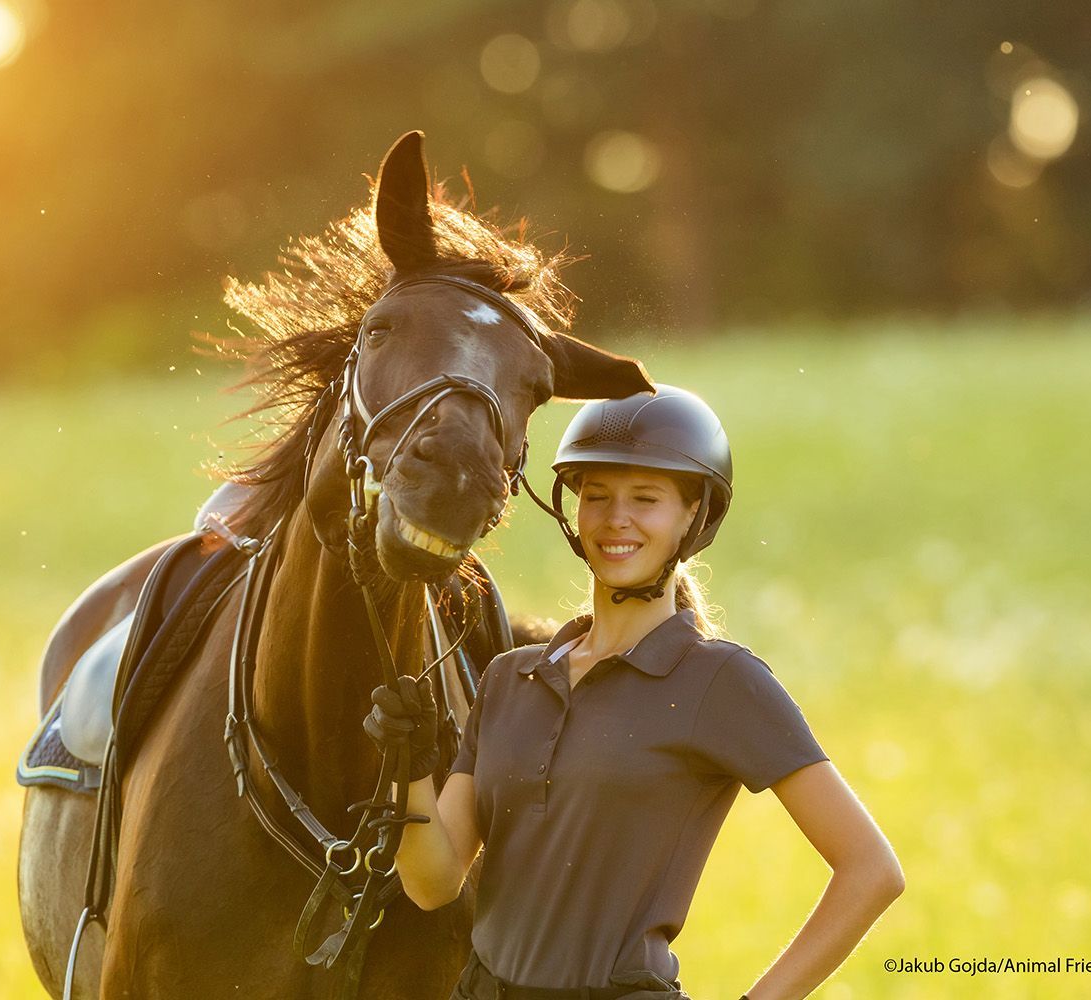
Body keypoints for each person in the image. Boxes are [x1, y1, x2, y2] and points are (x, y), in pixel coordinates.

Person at [365, 385, 904, 1000]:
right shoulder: (509, 679)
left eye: (645, 499)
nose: (616, 519)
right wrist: (407, 769)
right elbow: (432, 885)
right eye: (597, 497)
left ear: (692, 516)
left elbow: (871, 871)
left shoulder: (722, 683)